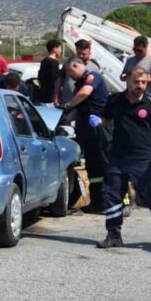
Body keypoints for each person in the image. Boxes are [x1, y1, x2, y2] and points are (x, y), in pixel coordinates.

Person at [93, 68, 151, 248]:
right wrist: (98, 122)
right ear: (127, 80)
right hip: (117, 156)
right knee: (112, 195)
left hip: (142, 158)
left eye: (144, 83)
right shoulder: (115, 100)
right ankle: (113, 235)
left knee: (150, 196)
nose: (140, 86)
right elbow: (106, 119)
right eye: (137, 82)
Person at [64, 58, 111, 213]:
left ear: (76, 66)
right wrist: (62, 121)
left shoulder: (93, 77)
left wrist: (68, 105)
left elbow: (85, 93)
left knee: (107, 165)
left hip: (101, 128)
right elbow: (78, 109)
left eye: (69, 71)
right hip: (87, 131)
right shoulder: (79, 84)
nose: (69, 76)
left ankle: (116, 201)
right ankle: (97, 202)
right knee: (93, 168)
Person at [59, 39, 102, 105]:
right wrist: (56, 96)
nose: (81, 56)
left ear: (89, 53)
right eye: (79, 53)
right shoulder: (68, 64)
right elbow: (60, 80)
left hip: (82, 106)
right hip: (65, 102)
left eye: (84, 54)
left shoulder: (95, 68)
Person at [37, 39, 63, 105]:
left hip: (42, 95)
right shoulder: (54, 63)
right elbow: (55, 80)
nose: (61, 51)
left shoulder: (44, 61)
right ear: (54, 49)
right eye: (60, 48)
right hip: (50, 97)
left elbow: (40, 78)